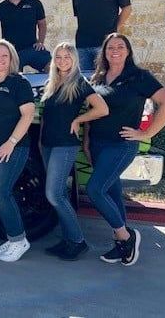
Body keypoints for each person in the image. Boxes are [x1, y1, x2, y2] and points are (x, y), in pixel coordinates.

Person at [85, 33, 165, 266]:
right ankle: (122, 247)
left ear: (128, 51)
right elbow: (93, 112)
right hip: (97, 143)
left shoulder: (139, 77)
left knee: (95, 189)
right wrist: (86, 140)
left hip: (121, 144)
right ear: (104, 53)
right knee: (113, 193)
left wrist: (147, 133)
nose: (115, 50)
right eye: (110, 48)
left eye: (120, 47)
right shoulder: (98, 77)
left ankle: (127, 236)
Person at [40, 42, 108, 261]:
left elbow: (102, 109)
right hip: (48, 144)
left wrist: (79, 119)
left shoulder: (79, 82)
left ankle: (78, 241)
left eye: (67, 57)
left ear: (74, 60)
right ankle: (68, 240)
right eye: (58, 57)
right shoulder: (52, 83)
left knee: (55, 194)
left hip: (65, 145)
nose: (62, 61)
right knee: (56, 194)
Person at [0, 39, 35, 262]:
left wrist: (10, 142)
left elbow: (28, 115)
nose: (0, 60)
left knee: (1, 193)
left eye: (4, 56)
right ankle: (12, 239)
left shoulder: (19, 83)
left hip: (11, 149)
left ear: (12, 59)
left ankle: (20, 240)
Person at [0, 0, 51, 72]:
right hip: (11, 51)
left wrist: (40, 42)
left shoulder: (34, 3)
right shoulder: (0, 8)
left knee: (51, 65)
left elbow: (42, 24)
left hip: (32, 48)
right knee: (14, 77)